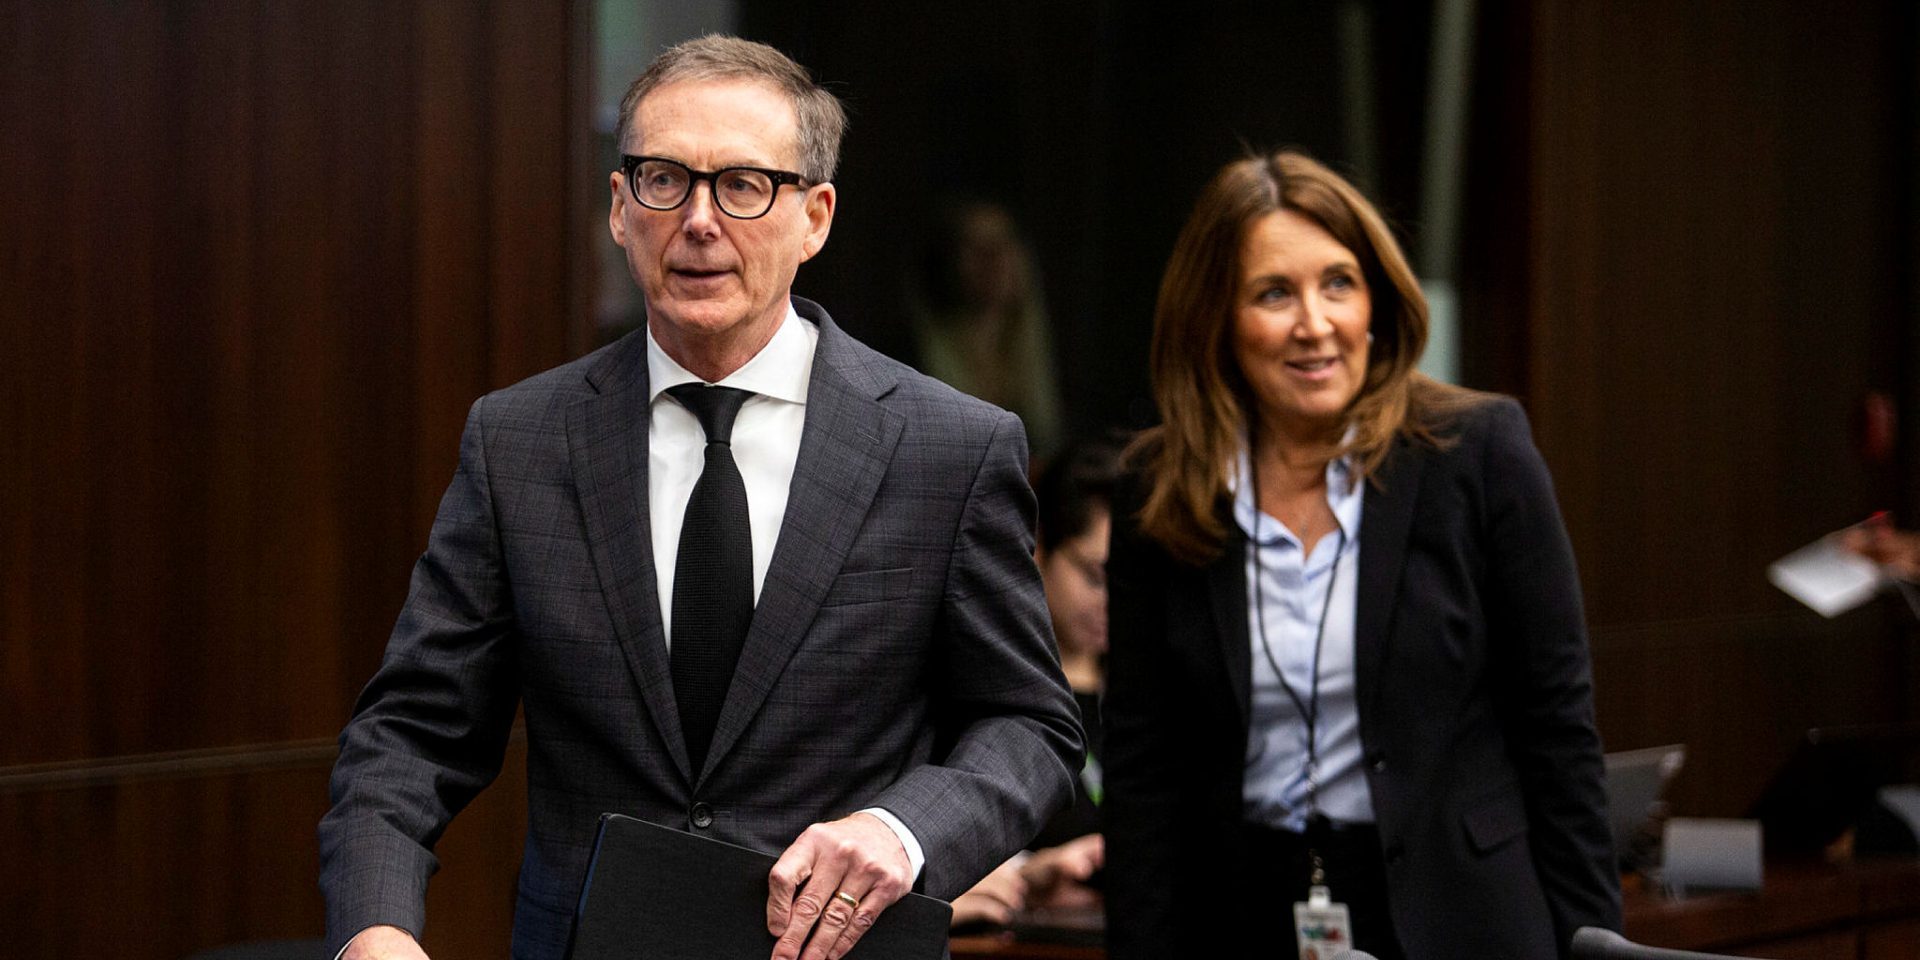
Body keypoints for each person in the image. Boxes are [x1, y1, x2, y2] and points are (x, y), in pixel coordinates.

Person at [317, 35, 1083, 960]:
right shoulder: (521, 441)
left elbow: (1031, 727)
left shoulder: (946, 447)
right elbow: (410, 733)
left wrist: (905, 830)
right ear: (618, 208)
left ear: (817, 217)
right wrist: (375, 929)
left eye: (745, 185)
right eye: (664, 179)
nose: (700, 220)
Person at [1102, 150, 1620, 959]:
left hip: (1464, 917)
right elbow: (1142, 772)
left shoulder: (1477, 453)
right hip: (1241, 916)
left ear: (1375, 299)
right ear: (1216, 319)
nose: (1316, 322)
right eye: (1275, 293)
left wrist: (1595, 949)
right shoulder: (1157, 491)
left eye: (1338, 283)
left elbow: (1560, 733)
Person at [950, 441, 1120, 928]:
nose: (1113, 603)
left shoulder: (1151, 696)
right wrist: (1028, 873)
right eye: (1094, 576)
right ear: (1040, 550)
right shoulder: (988, 692)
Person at [908, 201, 1065, 462]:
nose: (992, 258)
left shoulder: (1039, 364)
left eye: (1003, 242)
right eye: (974, 245)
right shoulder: (914, 364)